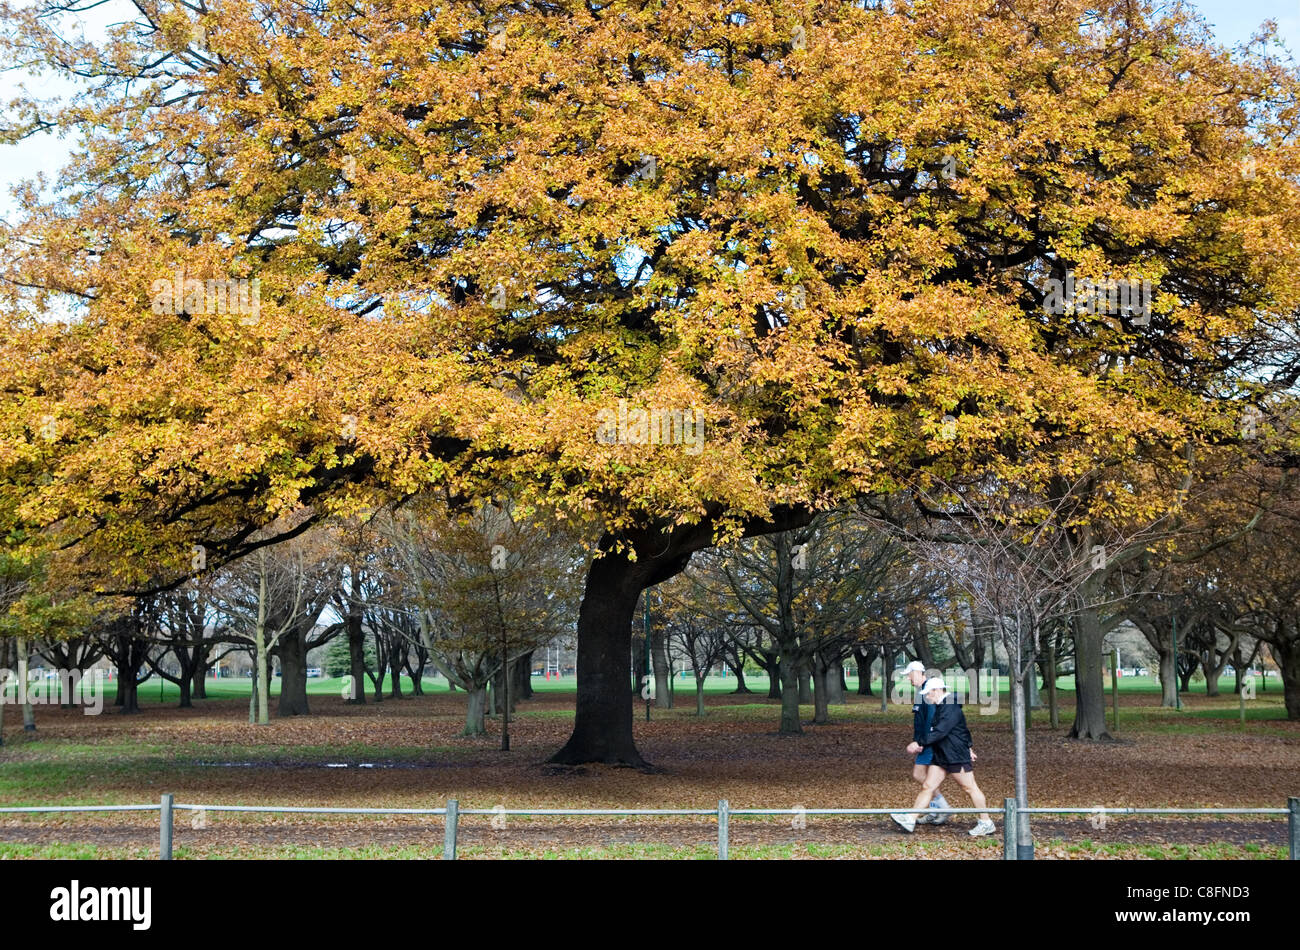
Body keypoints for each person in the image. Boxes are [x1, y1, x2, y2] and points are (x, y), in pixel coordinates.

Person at [892, 677, 995, 837]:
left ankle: (986, 822)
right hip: (941, 754)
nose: (927, 697)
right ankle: (910, 819)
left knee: (970, 788)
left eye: (929, 694)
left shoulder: (950, 706)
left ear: (937, 690)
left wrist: (918, 743)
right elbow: (961, 729)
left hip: (955, 755)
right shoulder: (941, 706)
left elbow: (941, 732)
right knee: (928, 786)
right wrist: (969, 746)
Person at [902, 661, 951, 824]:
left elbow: (932, 718)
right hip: (925, 742)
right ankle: (937, 808)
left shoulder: (927, 691)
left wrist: (923, 742)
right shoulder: (920, 692)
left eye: (909, 675)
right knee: (926, 778)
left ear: (916, 672)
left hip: (929, 743)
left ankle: (941, 807)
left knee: (920, 775)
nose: (908, 679)